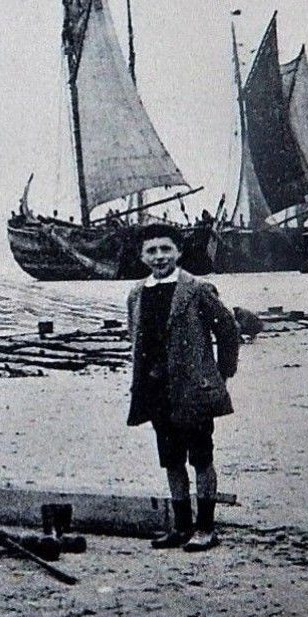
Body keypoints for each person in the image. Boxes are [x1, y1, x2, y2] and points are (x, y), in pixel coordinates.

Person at [126, 223, 241, 552]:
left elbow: (229, 332)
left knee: (201, 458)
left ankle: (206, 528)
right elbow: (136, 340)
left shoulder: (197, 289)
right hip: (156, 392)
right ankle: (180, 527)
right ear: (142, 256)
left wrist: (220, 375)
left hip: (194, 392)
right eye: (152, 250)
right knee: (171, 459)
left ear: (178, 252)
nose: (159, 256)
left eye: (165, 249)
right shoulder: (136, 294)